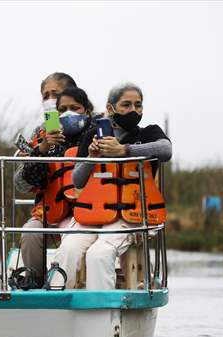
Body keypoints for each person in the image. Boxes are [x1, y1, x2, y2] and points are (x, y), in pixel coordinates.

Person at [53, 82, 172, 290]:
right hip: (93, 213)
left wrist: (124, 150)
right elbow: (78, 181)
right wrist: (92, 156)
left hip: (130, 215)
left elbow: (165, 150)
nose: (133, 110)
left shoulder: (149, 133)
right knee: (67, 250)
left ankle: (102, 308)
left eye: (138, 105)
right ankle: (58, 302)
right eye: (126, 105)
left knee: (99, 254)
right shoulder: (92, 136)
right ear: (110, 109)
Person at [13, 72, 93, 284]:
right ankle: (35, 284)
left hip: (88, 211)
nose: (50, 99)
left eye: (54, 93)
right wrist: (41, 150)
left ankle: (70, 287)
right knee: (30, 232)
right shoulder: (41, 133)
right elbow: (21, 183)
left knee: (74, 242)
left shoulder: (94, 129)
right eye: (45, 95)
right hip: (50, 212)